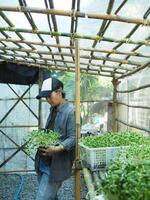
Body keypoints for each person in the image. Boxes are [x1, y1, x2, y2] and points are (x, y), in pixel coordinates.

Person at [35, 77, 76, 200]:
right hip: (43, 160)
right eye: (45, 97)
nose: (47, 100)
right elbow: (51, 131)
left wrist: (56, 149)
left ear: (59, 92)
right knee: (51, 197)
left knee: (42, 198)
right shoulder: (53, 109)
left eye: (49, 96)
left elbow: (73, 138)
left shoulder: (71, 112)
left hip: (55, 165)